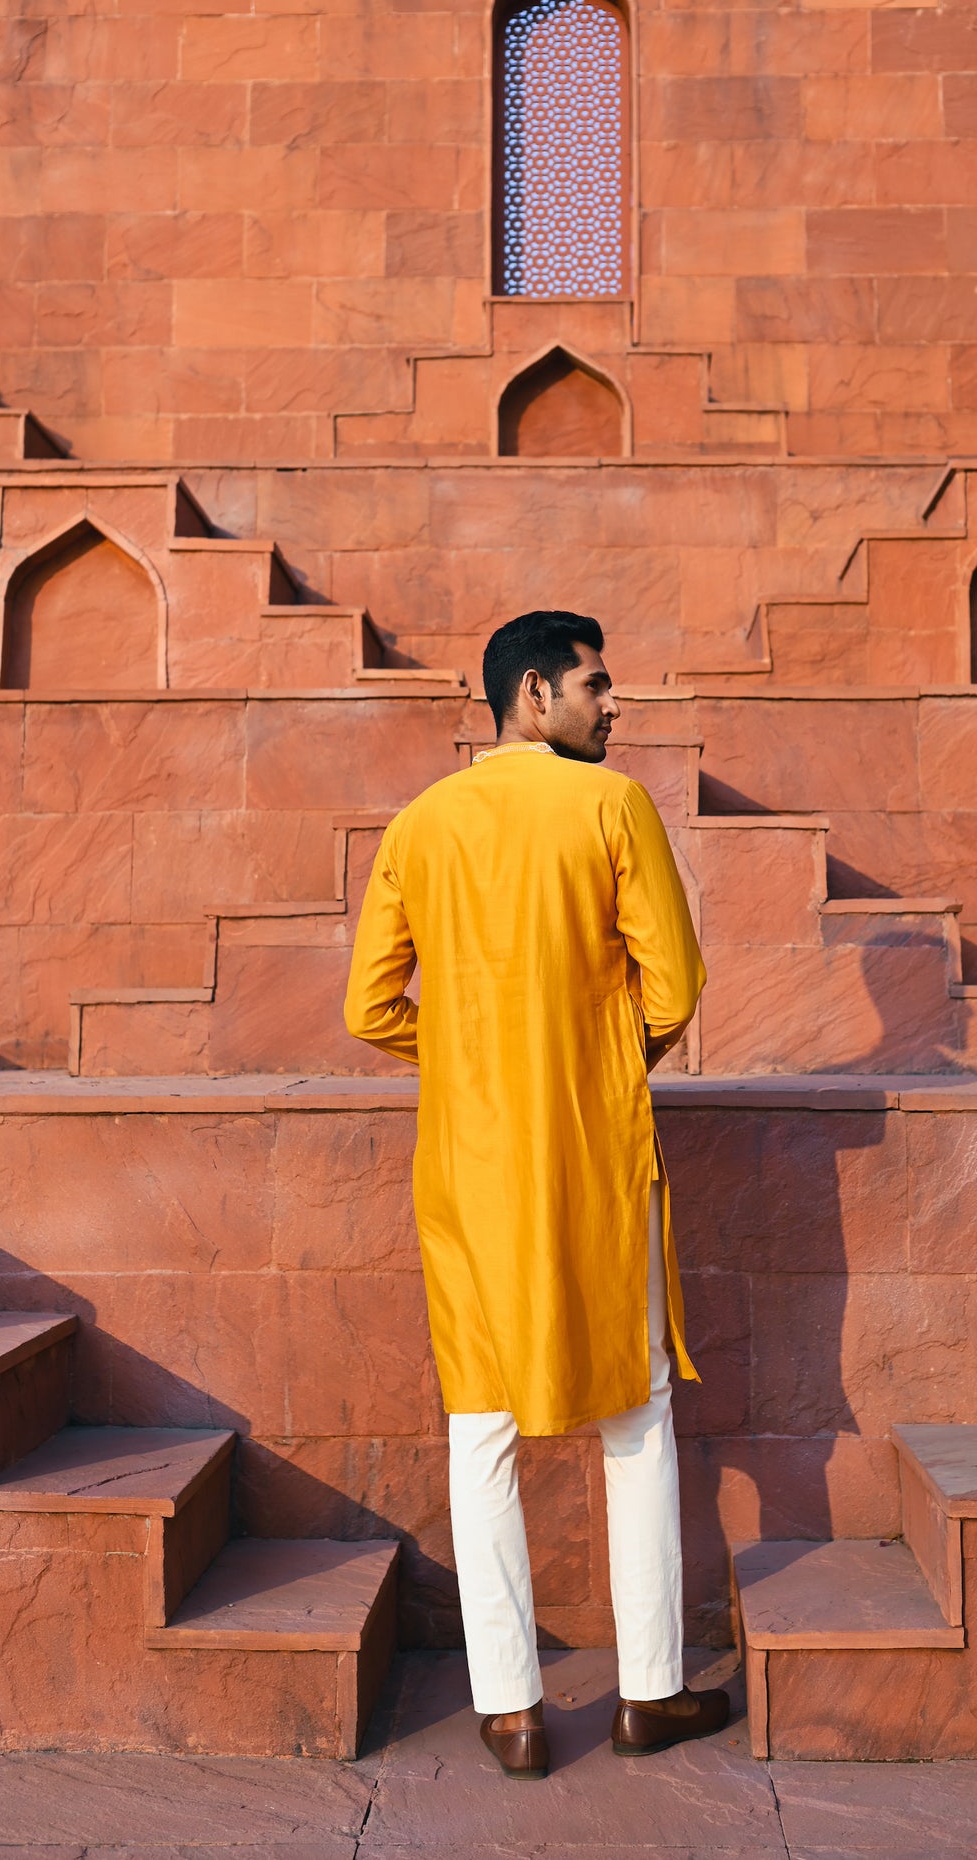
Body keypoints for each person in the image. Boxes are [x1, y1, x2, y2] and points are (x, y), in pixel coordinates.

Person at [344, 610, 729, 1780]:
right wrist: (592, 1062)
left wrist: (473, 1057)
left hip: (467, 1163)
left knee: (482, 1425)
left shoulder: (420, 823)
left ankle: (509, 1712)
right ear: (532, 694)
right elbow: (674, 986)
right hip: (588, 1154)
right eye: (595, 685)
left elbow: (370, 1008)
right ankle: (648, 1693)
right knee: (636, 1414)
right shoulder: (606, 807)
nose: (614, 706)